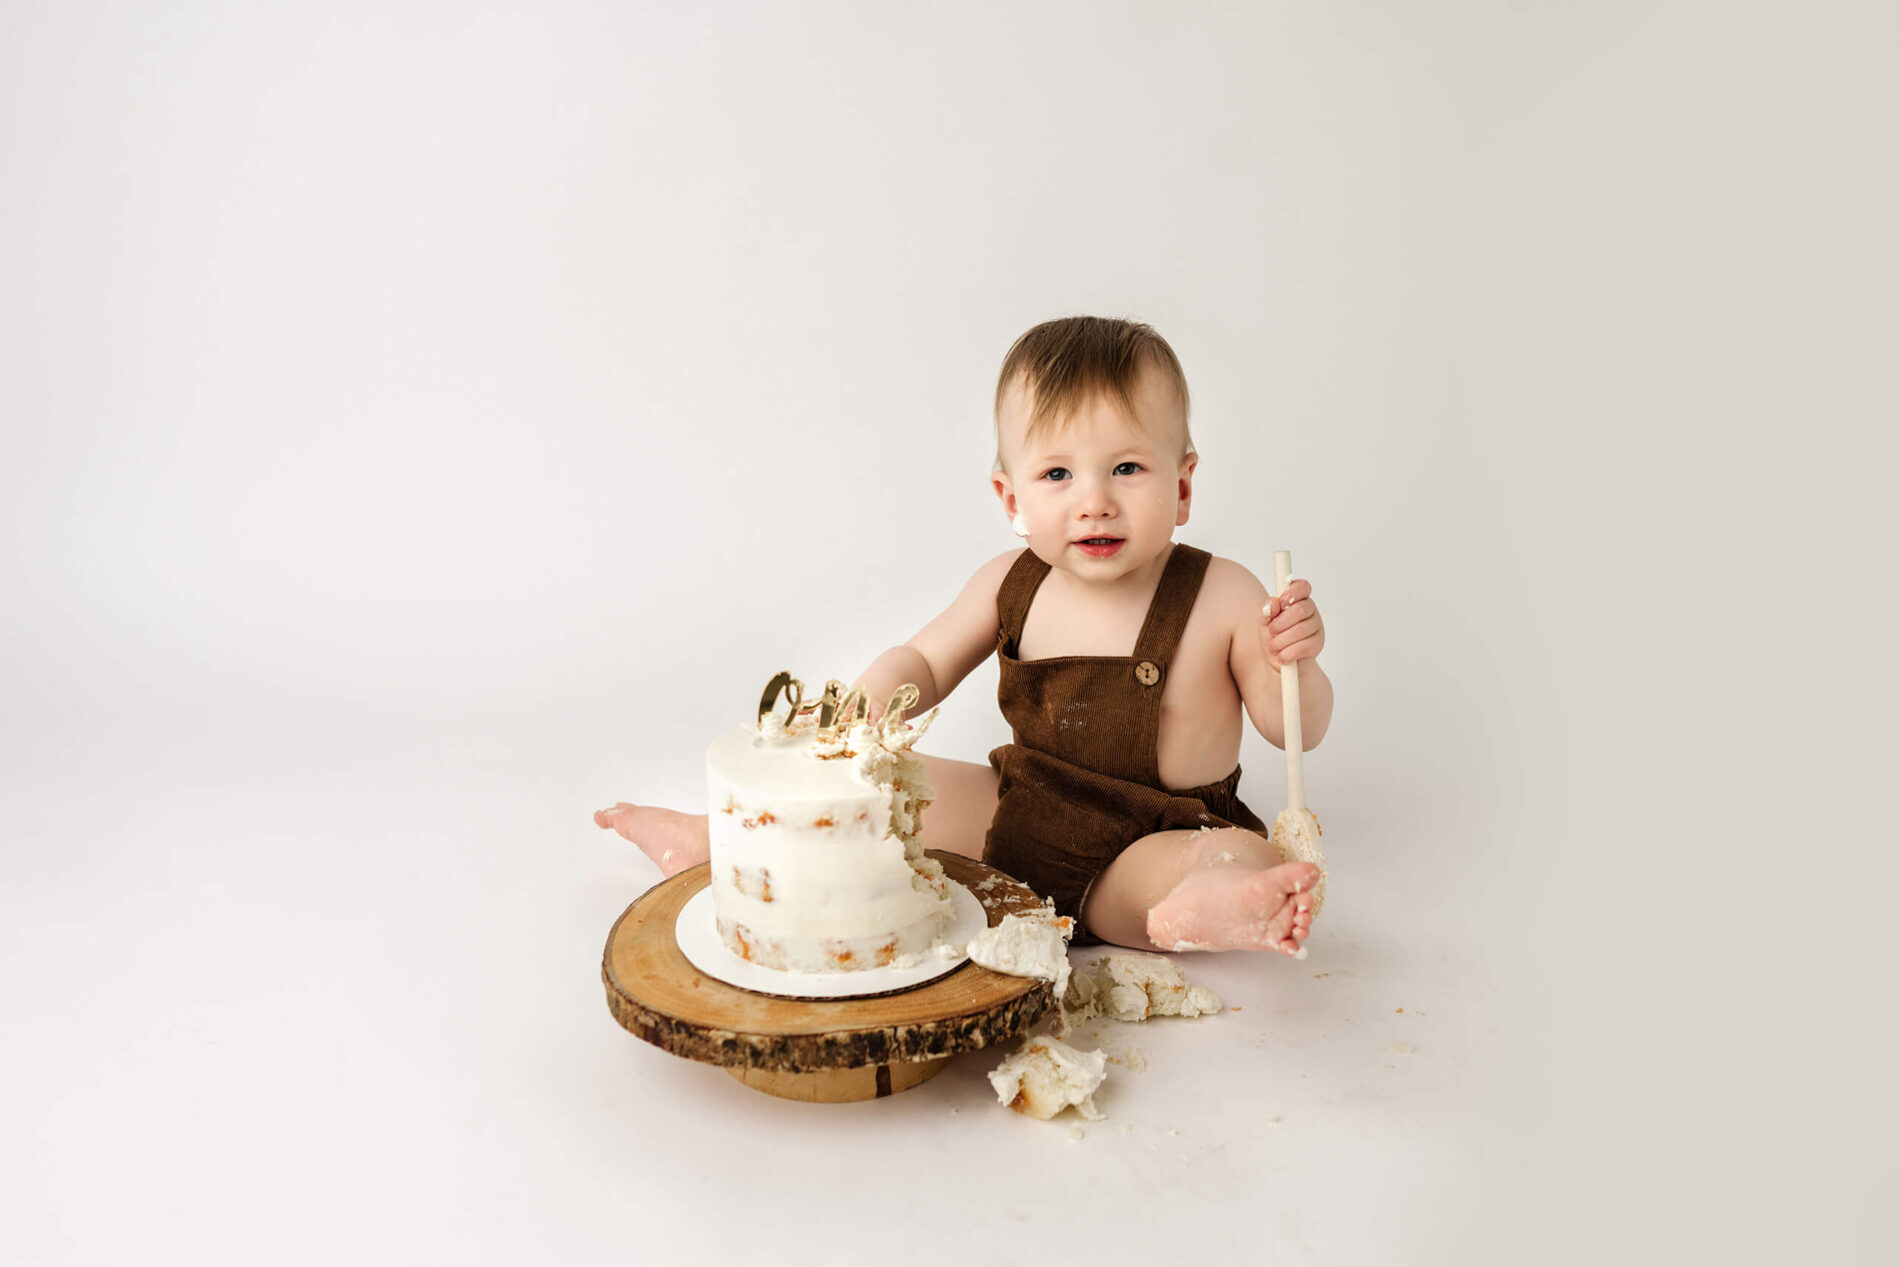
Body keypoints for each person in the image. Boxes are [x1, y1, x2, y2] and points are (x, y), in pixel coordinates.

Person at [597, 316, 1333, 957]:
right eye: (1057, 474)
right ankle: (716, 842)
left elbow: (1291, 726)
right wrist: (868, 705)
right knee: (876, 792)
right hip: (1015, 809)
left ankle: (1201, 910)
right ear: (1010, 496)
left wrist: (1291, 661)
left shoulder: (1225, 594)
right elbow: (927, 658)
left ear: (1182, 486)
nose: (1095, 501)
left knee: (1236, 852)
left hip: (1154, 839)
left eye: (1128, 468)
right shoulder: (1010, 583)